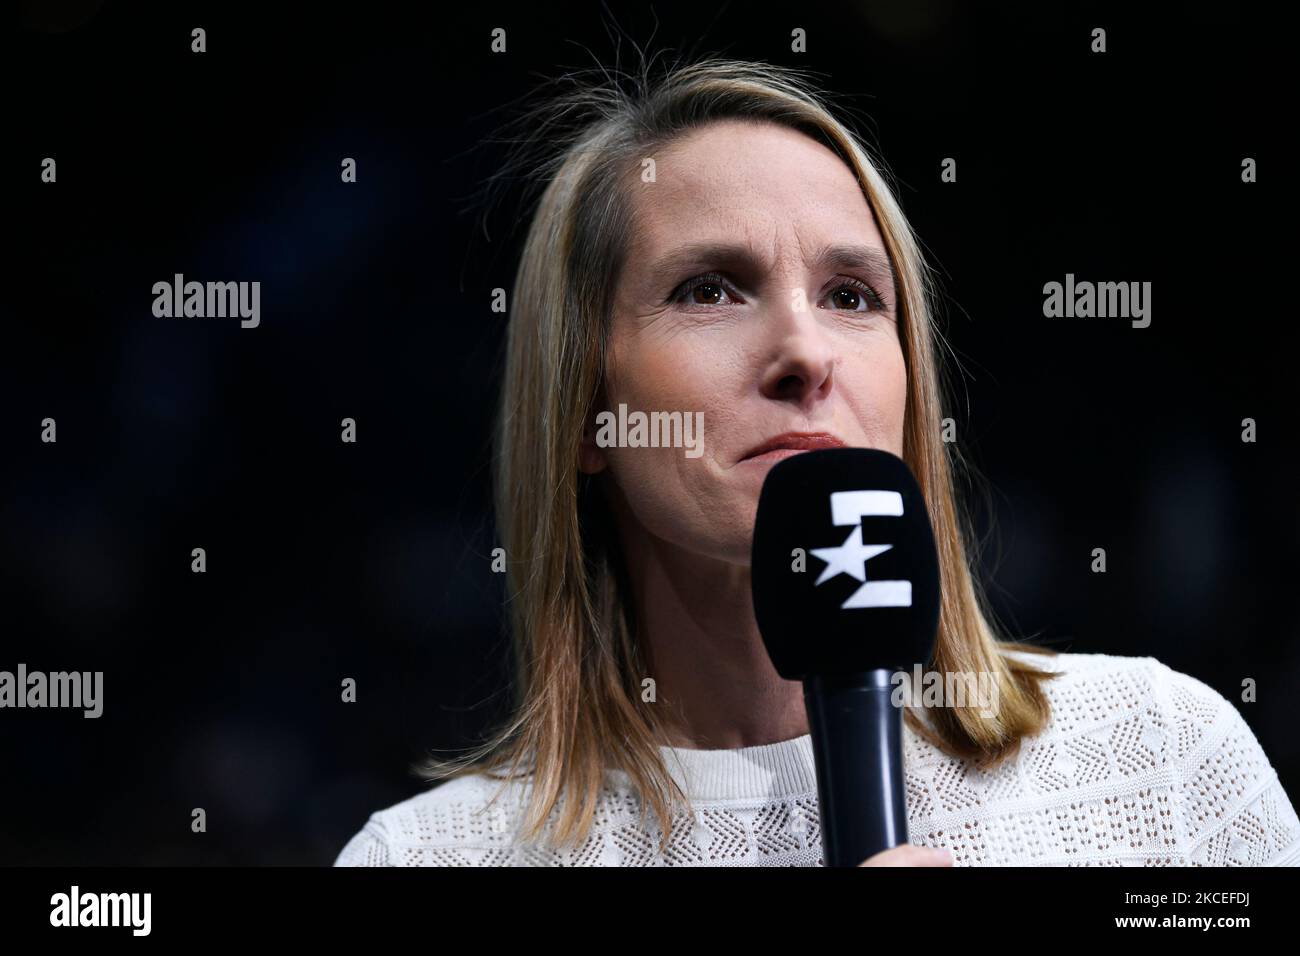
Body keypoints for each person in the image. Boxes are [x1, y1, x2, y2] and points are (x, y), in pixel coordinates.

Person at [335, 57, 1300, 867]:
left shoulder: (1163, 759)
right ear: (586, 410)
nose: (806, 352)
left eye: (851, 294)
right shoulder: (428, 857)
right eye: (710, 289)